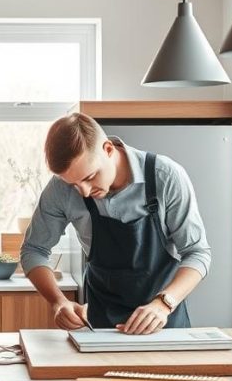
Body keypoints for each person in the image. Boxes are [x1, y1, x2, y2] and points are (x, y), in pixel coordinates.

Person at [21, 112, 210, 334]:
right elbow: (33, 250)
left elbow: (198, 253)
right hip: (100, 326)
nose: (84, 191)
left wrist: (164, 303)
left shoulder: (165, 176)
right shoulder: (60, 189)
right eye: (73, 184)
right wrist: (58, 301)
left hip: (164, 323)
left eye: (89, 177)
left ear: (108, 149)